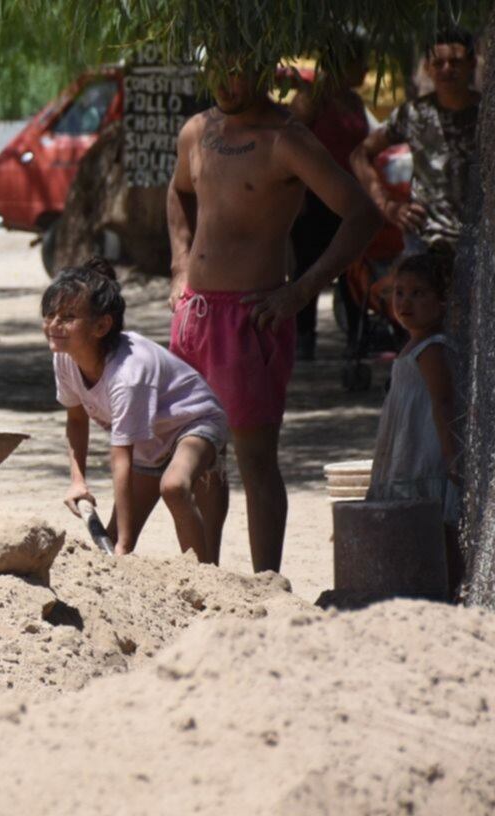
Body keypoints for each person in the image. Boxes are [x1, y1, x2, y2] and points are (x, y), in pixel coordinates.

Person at [167, 53, 382, 573]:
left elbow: (362, 215)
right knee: (202, 457)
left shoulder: (285, 139)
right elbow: (178, 192)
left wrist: (302, 290)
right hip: (194, 317)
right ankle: (206, 580)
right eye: (216, 69)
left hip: (251, 319)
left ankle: (267, 584)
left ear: (263, 71)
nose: (224, 78)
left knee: (254, 462)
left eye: (234, 67)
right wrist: (178, 266)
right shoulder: (197, 130)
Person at [47, 258, 230, 564]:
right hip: (148, 440)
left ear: (101, 326)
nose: (54, 325)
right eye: (50, 314)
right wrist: (78, 481)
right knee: (115, 538)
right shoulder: (66, 357)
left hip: (193, 422)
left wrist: (126, 544)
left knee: (173, 487)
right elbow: (76, 421)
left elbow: (121, 459)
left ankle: (204, 582)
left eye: (67, 317)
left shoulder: (128, 375)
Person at [366, 253, 464, 599]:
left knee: (439, 525)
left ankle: (450, 589)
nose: (406, 302)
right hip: (409, 450)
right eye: (400, 292)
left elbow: (442, 401)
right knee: (418, 524)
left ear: (442, 300)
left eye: (419, 293)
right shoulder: (412, 343)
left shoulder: (433, 347)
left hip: (428, 454)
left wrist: (451, 453)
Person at [351, 27, 480, 257]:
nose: (447, 69)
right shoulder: (413, 114)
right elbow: (359, 155)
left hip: (481, 245)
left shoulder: (491, 116)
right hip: (424, 243)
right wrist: (387, 206)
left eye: (455, 61)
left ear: (472, 64)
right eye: (438, 63)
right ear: (427, 68)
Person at [287, 36, 373, 360]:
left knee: (353, 269)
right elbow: (290, 144)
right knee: (309, 266)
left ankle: (357, 337)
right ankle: (304, 338)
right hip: (315, 200)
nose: (365, 69)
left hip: (350, 202)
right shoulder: (312, 98)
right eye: (359, 62)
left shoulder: (353, 101)